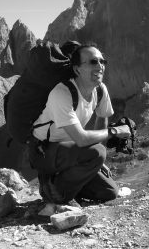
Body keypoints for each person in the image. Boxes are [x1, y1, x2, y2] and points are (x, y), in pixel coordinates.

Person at [27, 43, 132, 206]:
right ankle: (53, 189)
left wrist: (99, 163)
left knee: (109, 192)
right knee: (96, 152)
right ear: (77, 70)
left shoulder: (100, 89)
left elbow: (101, 118)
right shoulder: (61, 93)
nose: (100, 66)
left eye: (102, 61)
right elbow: (82, 140)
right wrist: (114, 131)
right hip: (43, 151)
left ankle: (64, 183)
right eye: (92, 62)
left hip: (69, 151)